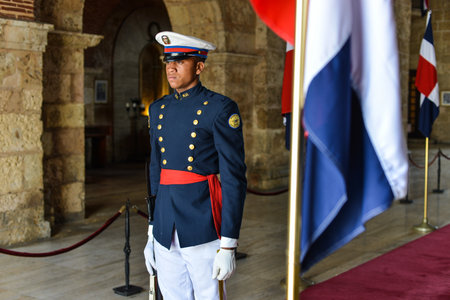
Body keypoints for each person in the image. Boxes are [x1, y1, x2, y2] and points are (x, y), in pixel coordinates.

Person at [144, 31, 247, 300]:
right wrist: (152, 228)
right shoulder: (157, 109)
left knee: (208, 295)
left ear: (199, 66)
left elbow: (234, 177)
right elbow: (156, 169)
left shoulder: (220, 108)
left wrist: (228, 244)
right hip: (165, 221)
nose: (171, 67)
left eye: (180, 61)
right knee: (173, 295)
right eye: (168, 62)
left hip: (202, 217)